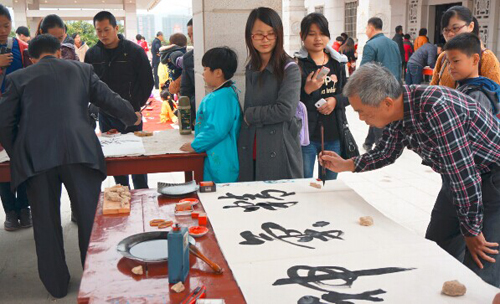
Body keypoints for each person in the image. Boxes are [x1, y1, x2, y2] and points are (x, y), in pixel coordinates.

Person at [320, 62, 500, 288]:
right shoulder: (399, 110)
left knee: (482, 260)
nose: (361, 119)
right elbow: (386, 152)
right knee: (437, 248)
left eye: (361, 111)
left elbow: (465, 175)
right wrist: (346, 164)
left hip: (492, 176)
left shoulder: (437, 108)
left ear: (386, 103)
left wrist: (472, 230)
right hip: (457, 177)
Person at [0, 34, 141, 298]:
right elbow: (108, 98)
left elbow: (4, 122)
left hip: (36, 159)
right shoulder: (83, 70)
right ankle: (95, 279)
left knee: (45, 223)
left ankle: (56, 286)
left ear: (31, 57)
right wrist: (131, 116)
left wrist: (18, 151)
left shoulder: (18, 78)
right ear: (59, 51)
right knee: (89, 220)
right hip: (81, 153)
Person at [85, 11, 154, 189]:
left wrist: (136, 106)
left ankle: (141, 193)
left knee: (136, 159)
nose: (102, 35)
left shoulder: (134, 51)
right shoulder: (92, 54)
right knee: (115, 160)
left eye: (106, 30)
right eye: (98, 31)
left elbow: (147, 81)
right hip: (106, 115)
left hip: (132, 114)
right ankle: (122, 192)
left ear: (116, 28)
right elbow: (90, 86)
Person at [238, 7, 302, 182]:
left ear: (278, 35)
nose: (265, 40)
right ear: (250, 36)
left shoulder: (290, 69)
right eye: (259, 34)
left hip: (278, 147)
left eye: (271, 34)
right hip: (251, 145)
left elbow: (285, 110)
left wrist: (250, 114)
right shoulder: (251, 66)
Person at [294, 13, 349, 180]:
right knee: (304, 183)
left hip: (333, 135)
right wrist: (306, 90)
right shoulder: (297, 64)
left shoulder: (337, 62)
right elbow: (290, 101)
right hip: (306, 137)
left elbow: (348, 93)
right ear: (302, 36)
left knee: (330, 185)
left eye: (322, 33)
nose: (318, 38)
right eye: (311, 34)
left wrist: (335, 100)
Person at [180, 47, 241, 183]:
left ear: (218, 72)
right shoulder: (225, 93)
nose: (203, 73)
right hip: (216, 155)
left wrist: (195, 145)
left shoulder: (221, 97)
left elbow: (216, 130)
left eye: (205, 69)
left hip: (219, 161)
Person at [0, 4, 32, 231]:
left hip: (21, 117)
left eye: (6, 25)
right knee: (2, 165)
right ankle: (9, 211)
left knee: (23, 160)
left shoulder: (22, 48)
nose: (2, 30)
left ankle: (24, 207)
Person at [431, 6, 500, 88]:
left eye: (455, 28)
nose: (450, 34)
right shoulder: (443, 57)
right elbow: (433, 88)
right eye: (446, 30)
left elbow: (495, 95)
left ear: (470, 26)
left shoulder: (486, 57)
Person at [360, 17, 402, 152]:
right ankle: (368, 142)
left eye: (366, 28)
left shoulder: (371, 45)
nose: (366, 31)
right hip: (394, 85)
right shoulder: (393, 44)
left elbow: (364, 69)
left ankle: (380, 146)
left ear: (371, 28)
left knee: (378, 115)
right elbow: (400, 64)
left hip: (377, 87)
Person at [446, 33, 500, 120]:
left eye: (456, 61)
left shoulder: (476, 94)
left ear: (475, 59)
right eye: (448, 62)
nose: (450, 66)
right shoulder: (465, 85)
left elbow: (480, 130)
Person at [181, 18, 196, 125]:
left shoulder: (217, 56)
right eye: (189, 35)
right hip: (195, 111)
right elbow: (185, 89)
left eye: (193, 34)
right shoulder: (188, 58)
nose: (192, 39)